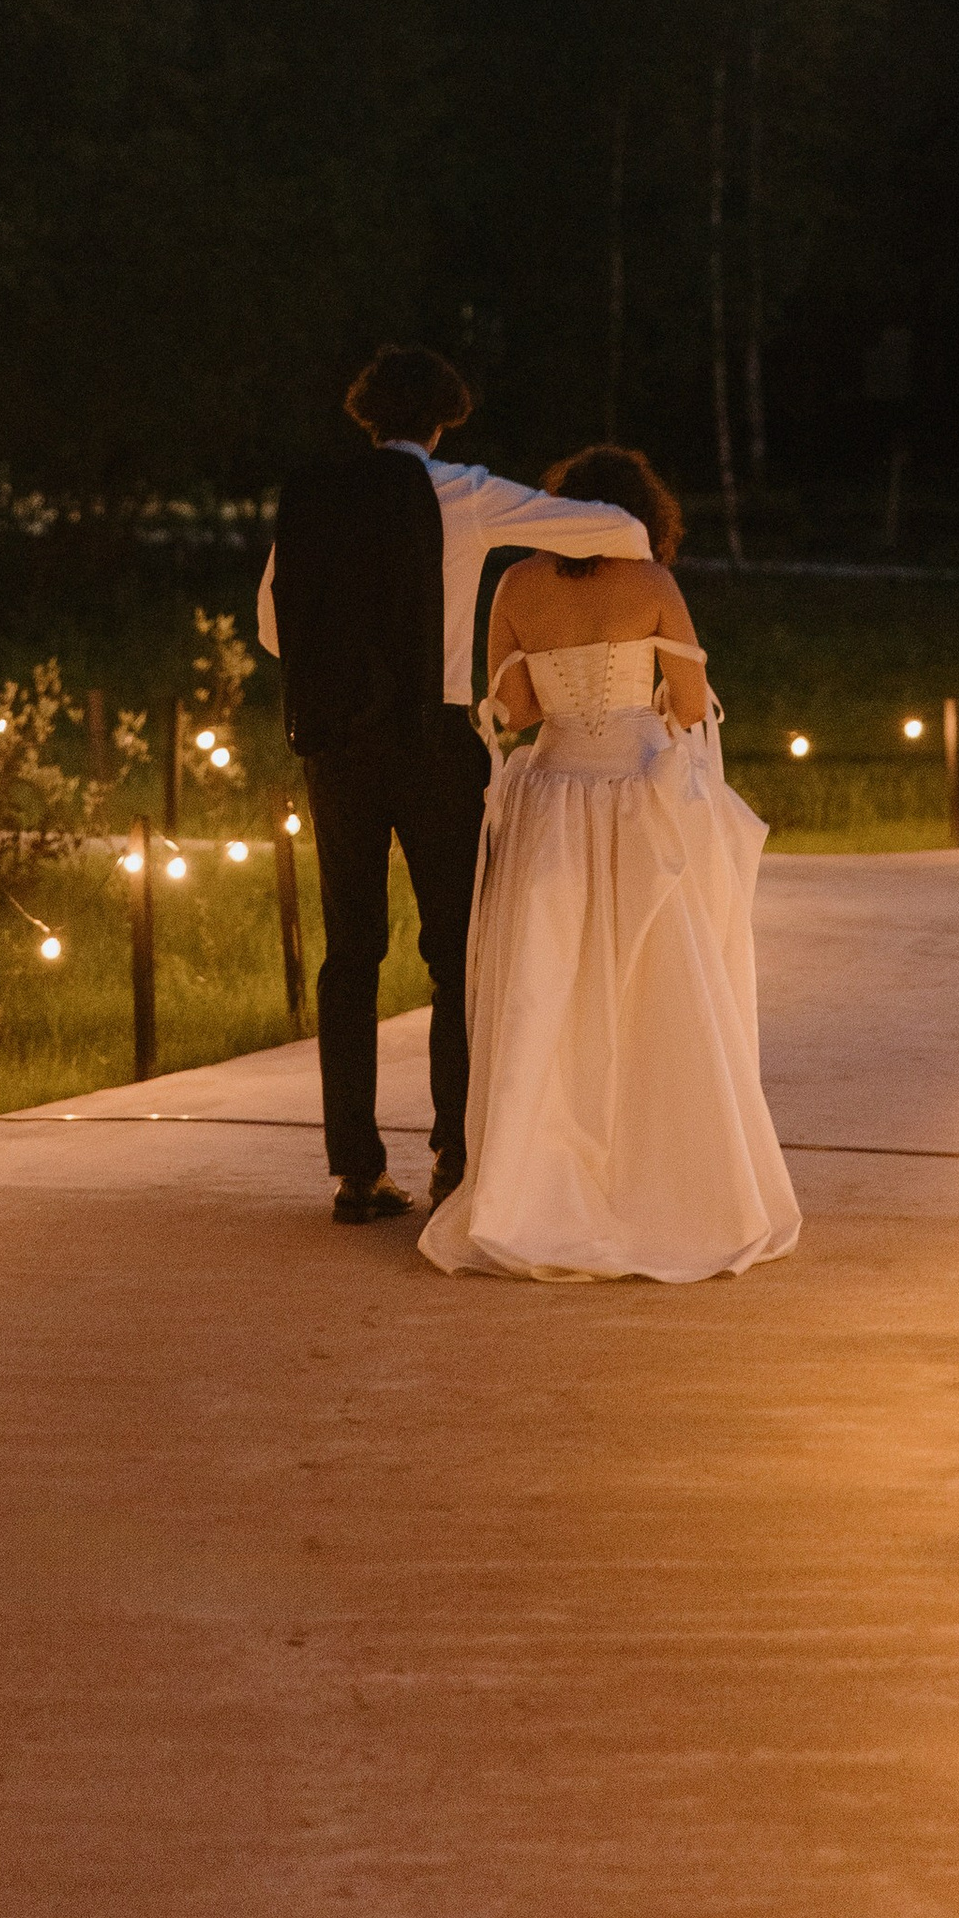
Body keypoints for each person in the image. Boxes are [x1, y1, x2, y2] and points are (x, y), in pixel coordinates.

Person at [257, 346, 651, 1225]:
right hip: (432, 742)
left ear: (365, 416)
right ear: (442, 420)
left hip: (334, 750)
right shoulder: (461, 492)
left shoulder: (312, 494)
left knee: (350, 956)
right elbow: (620, 534)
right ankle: (454, 1155)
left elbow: (275, 627)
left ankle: (355, 1172)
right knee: (455, 955)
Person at [420, 445, 799, 1284]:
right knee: (654, 984)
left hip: (554, 799)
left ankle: (532, 1189)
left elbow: (511, 711)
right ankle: (666, 1182)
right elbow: (693, 705)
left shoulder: (516, 585)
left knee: (549, 988)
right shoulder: (653, 584)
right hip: (635, 799)